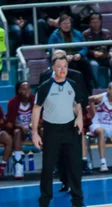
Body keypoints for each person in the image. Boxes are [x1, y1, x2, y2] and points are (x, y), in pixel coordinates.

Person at [32, 55, 89, 207]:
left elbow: (77, 104)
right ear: (53, 67)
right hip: (52, 131)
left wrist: (79, 117)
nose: (62, 69)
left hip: (70, 130)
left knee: (75, 167)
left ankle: (77, 202)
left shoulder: (73, 84)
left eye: (65, 66)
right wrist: (35, 132)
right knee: (48, 168)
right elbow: (36, 109)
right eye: (59, 66)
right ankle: (45, 202)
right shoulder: (45, 87)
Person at [39, 50, 91, 178]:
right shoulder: (44, 76)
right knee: (57, 154)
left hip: (70, 120)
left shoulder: (76, 76)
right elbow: (41, 100)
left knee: (70, 154)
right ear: (52, 62)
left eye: (62, 58)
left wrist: (76, 113)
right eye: (57, 58)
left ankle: (74, 179)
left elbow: (83, 97)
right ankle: (63, 179)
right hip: (52, 121)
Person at [5, 81, 35, 179]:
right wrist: (22, 127)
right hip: (21, 130)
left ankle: (51, 163)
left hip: (34, 129)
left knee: (45, 131)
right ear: (19, 91)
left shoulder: (35, 99)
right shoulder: (13, 102)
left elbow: (41, 118)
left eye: (28, 89)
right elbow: (11, 122)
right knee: (16, 132)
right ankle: (18, 165)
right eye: (24, 89)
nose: (27, 91)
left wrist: (32, 127)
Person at [83, 13, 112, 85]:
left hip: (105, 56)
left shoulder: (107, 32)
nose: (96, 24)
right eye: (93, 22)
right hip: (92, 58)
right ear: (90, 23)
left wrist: (111, 52)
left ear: (101, 22)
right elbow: (84, 48)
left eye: (97, 22)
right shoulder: (85, 34)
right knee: (94, 65)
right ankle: (96, 86)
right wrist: (93, 53)